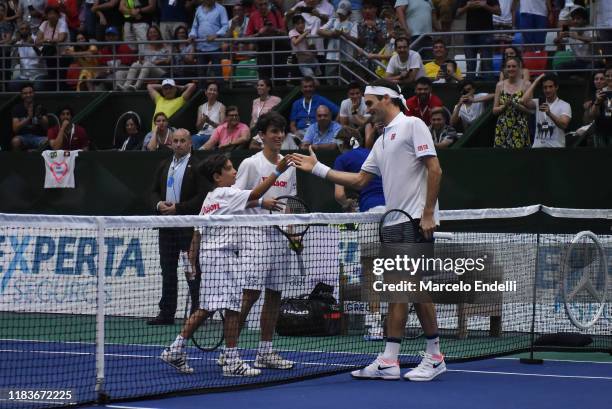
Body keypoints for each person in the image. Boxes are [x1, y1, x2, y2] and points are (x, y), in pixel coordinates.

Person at [287, 78, 445, 382]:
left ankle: (407, 358)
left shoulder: (413, 125)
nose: (366, 108)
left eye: (370, 103)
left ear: (387, 99)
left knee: (404, 288)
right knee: (410, 289)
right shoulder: (382, 139)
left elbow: (435, 168)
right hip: (395, 220)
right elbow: (360, 181)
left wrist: (427, 213)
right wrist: (318, 169)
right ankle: (413, 357)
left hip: (414, 219)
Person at [160, 153, 289, 376]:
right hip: (223, 258)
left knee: (206, 308)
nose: (235, 172)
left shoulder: (211, 198)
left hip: (210, 258)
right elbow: (255, 192)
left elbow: (198, 231)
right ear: (218, 176)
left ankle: (176, 349)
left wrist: (192, 260)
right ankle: (231, 361)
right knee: (231, 309)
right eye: (229, 169)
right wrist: (277, 170)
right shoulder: (228, 193)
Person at [219, 111, 297, 371]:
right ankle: (229, 352)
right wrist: (262, 202)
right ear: (262, 135)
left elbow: (290, 203)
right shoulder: (251, 164)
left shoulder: (290, 164)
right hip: (255, 236)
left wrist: (293, 230)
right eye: (273, 131)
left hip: (280, 239)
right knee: (249, 295)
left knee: (275, 295)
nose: (279, 135)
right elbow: (235, 200)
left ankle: (265, 351)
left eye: (281, 130)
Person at [148, 129, 207, 325]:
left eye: (183, 141)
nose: (179, 144)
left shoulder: (198, 166)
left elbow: (202, 197)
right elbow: (153, 191)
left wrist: (178, 208)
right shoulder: (164, 165)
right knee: (168, 270)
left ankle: (196, 313)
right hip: (166, 226)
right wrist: (159, 205)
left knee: (191, 270)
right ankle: (166, 314)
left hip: (188, 227)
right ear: (171, 143)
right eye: (175, 141)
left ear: (190, 143)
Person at [333, 126, 385, 340]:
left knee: (371, 270)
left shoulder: (342, 160)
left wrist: (349, 204)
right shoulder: (373, 153)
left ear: (341, 144)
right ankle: (397, 324)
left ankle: (374, 326)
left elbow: (338, 195)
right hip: (396, 211)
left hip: (371, 213)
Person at [520, 73, 572, 148]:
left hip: (556, 148)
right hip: (538, 148)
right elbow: (523, 101)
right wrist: (536, 81)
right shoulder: (538, 102)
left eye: (550, 87)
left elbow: (564, 125)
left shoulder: (564, 105)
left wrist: (549, 113)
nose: (548, 90)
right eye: (545, 87)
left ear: (556, 87)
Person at [493, 57, 532, 148]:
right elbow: (494, 111)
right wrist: (504, 106)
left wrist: (515, 105)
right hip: (502, 127)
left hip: (520, 127)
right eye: (508, 66)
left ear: (519, 68)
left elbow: (530, 111)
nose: (511, 69)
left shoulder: (526, 84)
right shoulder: (500, 85)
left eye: (514, 66)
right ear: (505, 69)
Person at [455, 0, 501, 78]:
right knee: (470, 66)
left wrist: (485, 6)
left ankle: (489, 89)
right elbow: (457, 13)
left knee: (487, 64)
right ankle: (469, 88)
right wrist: (467, 6)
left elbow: (498, 11)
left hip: (486, 33)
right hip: (470, 34)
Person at [120, 25, 171, 90]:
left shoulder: (166, 45)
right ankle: (125, 86)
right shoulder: (145, 46)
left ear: (159, 34)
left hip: (161, 72)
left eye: (155, 32)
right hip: (146, 71)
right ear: (148, 35)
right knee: (135, 64)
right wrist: (143, 62)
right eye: (150, 33)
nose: (153, 34)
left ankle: (136, 86)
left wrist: (158, 61)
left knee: (147, 64)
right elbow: (140, 60)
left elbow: (169, 60)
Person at [317, 0, 358, 81]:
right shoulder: (332, 20)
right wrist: (332, 34)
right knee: (330, 79)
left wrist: (343, 34)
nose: (340, 15)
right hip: (331, 56)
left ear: (349, 13)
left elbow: (355, 39)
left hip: (346, 58)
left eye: (343, 13)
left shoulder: (353, 24)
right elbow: (319, 31)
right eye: (339, 12)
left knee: (345, 81)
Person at [289, 76, 339, 140]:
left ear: (314, 88)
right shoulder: (296, 104)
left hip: (317, 132)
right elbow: (292, 125)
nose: (308, 89)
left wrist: (332, 127)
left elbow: (339, 111)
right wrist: (296, 133)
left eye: (310, 86)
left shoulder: (321, 100)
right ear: (301, 89)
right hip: (300, 133)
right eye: (305, 87)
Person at [188, 0, 228, 80]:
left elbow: (225, 26)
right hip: (201, 47)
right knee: (201, 74)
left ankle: (221, 91)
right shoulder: (198, 9)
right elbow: (195, 27)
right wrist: (192, 35)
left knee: (217, 73)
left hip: (215, 47)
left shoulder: (221, 9)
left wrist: (216, 35)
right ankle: (202, 91)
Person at [8, 22, 47, 92]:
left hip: (38, 74)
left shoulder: (36, 40)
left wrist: (33, 45)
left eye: (26, 29)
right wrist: (15, 41)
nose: (24, 30)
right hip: (24, 76)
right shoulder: (18, 42)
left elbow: (42, 56)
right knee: (12, 85)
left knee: (38, 87)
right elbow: (15, 59)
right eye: (22, 29)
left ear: (30, 30)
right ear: (19, 31)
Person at [11, 83, 49, 150]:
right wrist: (29, 117)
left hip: (38, 137)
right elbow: (15, 128)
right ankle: (18, 160)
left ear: (34, 93)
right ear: (21, 95)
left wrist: (39, 117)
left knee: (47, 141)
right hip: (23, 137)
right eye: (25, 93)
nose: (28, 95)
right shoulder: (17, 109)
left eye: (30, 92)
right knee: (15, 141)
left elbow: (46, 127)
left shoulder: (40, 107)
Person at [194, 82, 226, 149]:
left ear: (217, 93)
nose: (212, 92)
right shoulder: (201, 107)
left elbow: (222, 128)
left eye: (215, 90)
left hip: (214, 135)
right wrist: (203, 121)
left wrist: (210, 122)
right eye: (210, 89)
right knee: (191, 140)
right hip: (201, 134)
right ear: (206, 92)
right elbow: (198, 128)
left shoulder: (221, 107)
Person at [586, 67, 612, 147]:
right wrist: (597, 102)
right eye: (607, 76)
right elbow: (592, 115)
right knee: (601, 158)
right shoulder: (600, 92)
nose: (610, 78)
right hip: (600, 132)